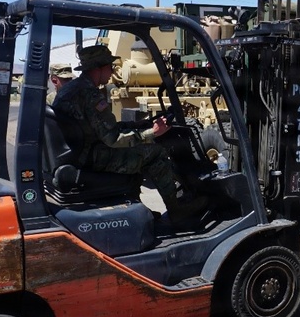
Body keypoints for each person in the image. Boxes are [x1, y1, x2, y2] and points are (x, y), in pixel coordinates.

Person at [52, 45, 206, 227]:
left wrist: (135, 125)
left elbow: (98, 128)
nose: (112, 72)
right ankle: (177, 211)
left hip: (82, 152)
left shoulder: (72, 89)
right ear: (98, 68)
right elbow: (113, 139)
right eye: (110, 67)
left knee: (138, 151)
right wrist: (152, 133)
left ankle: (137, 208)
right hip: (93, 157)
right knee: (155, 152)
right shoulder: (90, 95)